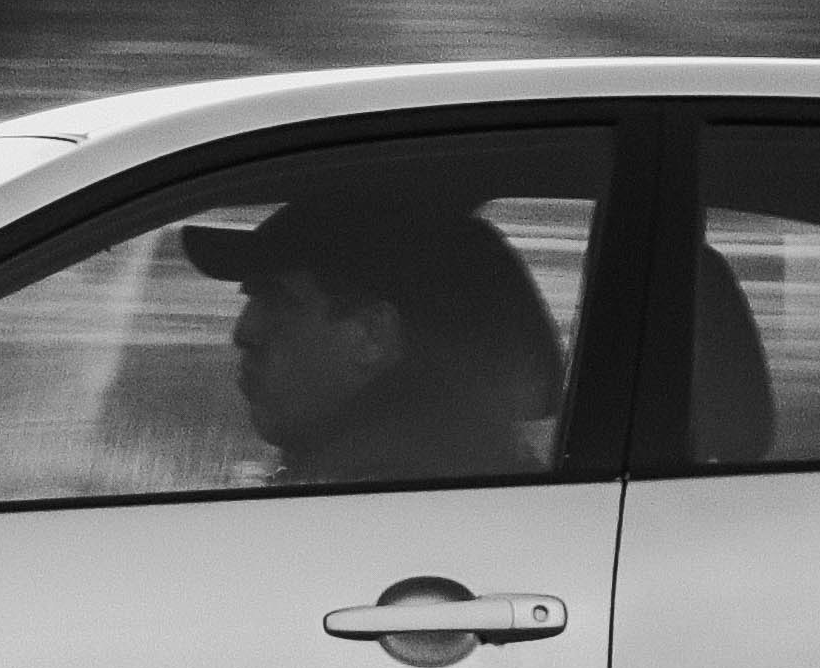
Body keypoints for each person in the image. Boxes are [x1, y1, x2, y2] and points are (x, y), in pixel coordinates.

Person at [175, 169, 564, 485]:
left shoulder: (366, 500)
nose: (244, 332)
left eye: (278, 301)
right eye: (251, 297)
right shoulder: (475, 480)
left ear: (372, 335)